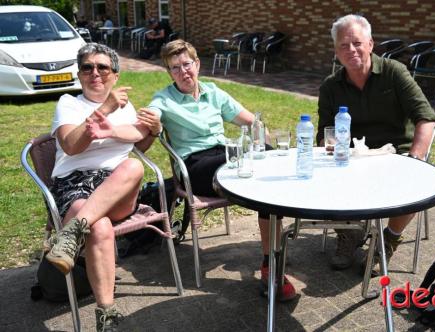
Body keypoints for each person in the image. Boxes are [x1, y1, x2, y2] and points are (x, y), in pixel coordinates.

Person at [143, 39, 297, 301]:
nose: (183, 72)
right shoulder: (164, 98)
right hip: (194, 168)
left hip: (225, 158)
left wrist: (265, 142)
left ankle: (270, 264)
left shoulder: (214, 93)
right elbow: (151, 114)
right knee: (249, 160)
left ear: (197, 64)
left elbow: (252, 121)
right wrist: (151, 120)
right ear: (169, 72)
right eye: (175, 68)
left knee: (268, 188)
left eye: (187, 64)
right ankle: (272, 262)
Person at [44, 43, 161, 331]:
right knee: (99, 227)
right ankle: (107, 315)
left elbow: (138, 141)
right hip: (75, 183)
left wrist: (154, 131)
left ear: (115, 75)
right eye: (87, 67)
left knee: (133, 166)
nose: (94, 72)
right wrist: (105, 108)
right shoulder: (69, 104)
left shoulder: (127, 106)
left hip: (116, 186)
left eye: (102, 67)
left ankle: (69, 235)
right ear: (80, 74)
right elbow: (71, 146)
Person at [317, 14, 435, 274]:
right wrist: (326, 152)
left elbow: (426, 118)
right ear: (336, 51)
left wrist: (416, 158)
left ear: (371, 44)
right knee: (320, 174)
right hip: (353, 156)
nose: (351, 49)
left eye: (357, 43)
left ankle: (389, 238)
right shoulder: (330, 86)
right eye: (343, 45)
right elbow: (324, 134)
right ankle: (349, 231)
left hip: (398, 151)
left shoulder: (394, 72)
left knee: (414, 181)